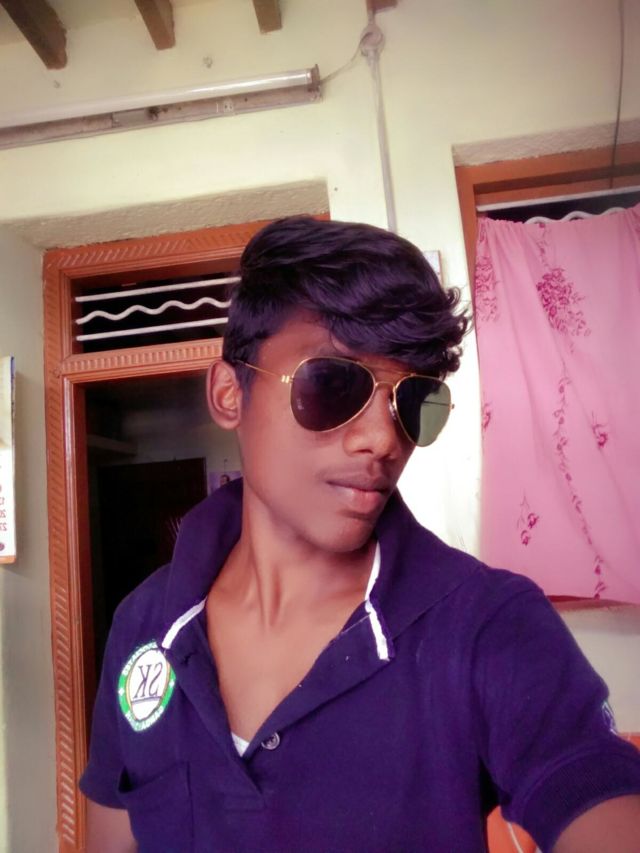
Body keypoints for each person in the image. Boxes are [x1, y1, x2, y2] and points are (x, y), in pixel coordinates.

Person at [81, 217, 640, 852]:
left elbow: (590, 784)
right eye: (332, 384)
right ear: (230, 393)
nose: (382, 439)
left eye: (414, 402)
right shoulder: (144, 622)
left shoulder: (488, 624)